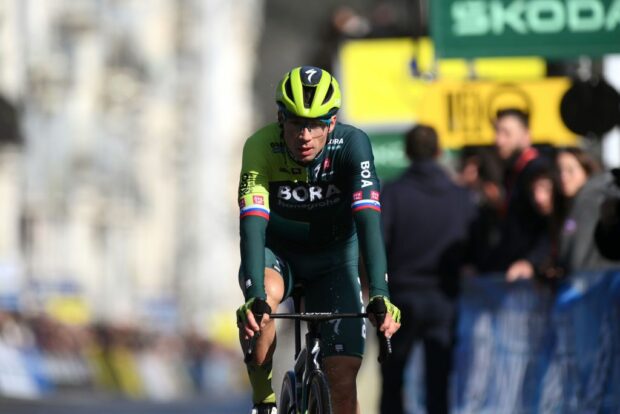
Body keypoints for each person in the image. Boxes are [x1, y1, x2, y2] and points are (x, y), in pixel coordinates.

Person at [235, 66, 401, 414]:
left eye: (316, 125)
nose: (305, 136)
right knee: (263, 305)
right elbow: (251, 226)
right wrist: (253, 297)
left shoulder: (353, 145)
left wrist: (382, 295)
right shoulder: (260, 147)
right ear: (281, 119)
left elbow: (369, 222)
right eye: (296, 123)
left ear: (332, 122)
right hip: (277, 256)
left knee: (342, 380)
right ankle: (264, 399)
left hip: (333, 261)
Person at [379, 125, 476, 414]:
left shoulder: (393, 193)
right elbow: (472, 243)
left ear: (407, 152)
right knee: (438, 381)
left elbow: (378, 243)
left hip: (400, 297)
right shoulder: (459, 195)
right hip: (443, 298)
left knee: (392, 378)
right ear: (438, 151)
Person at [483, 108, 551, 281]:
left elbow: (551, 225)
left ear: (526, 135)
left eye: (506, 133)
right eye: (497, 132)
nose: (498, 140)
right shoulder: (513, 173)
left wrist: (531, 262)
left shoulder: (537, 171)